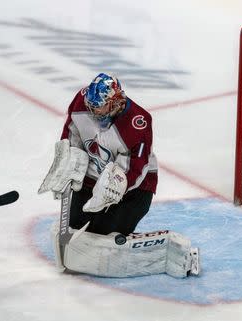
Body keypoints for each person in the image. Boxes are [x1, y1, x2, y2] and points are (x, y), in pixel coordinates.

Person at [39, 73, 200, 278]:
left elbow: (137, 168)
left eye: (99, 108)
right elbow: (72, 134)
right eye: (91, 107)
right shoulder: (82, 101)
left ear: (115, 102)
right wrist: (68, 161)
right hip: (90, 180)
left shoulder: (138, 122)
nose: (93, 112)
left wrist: (117, 185)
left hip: (134, 190)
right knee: (77, 233)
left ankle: (163, 251)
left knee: (104, 240)